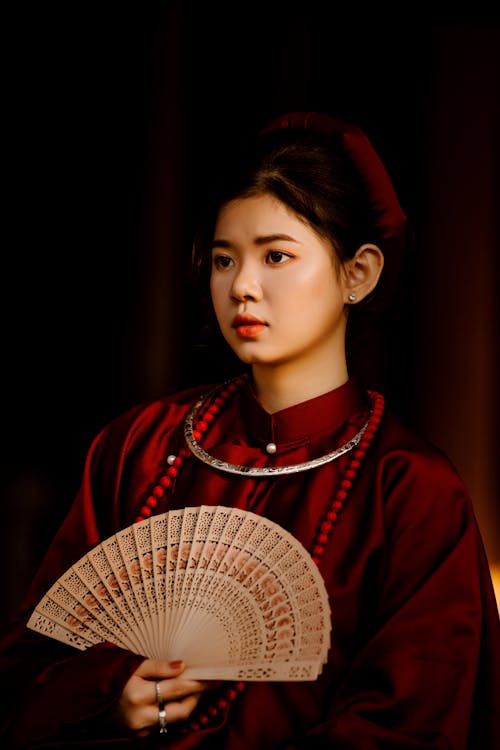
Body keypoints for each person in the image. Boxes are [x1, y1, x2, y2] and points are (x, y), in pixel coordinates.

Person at [0, 111, 499, 749]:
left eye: (276, 255)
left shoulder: (410, 489)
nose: (242, 286)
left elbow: (414, 724)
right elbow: (23, 675)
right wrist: (110, 691)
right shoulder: (141, 448)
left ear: (359, 273)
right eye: (222, 258)